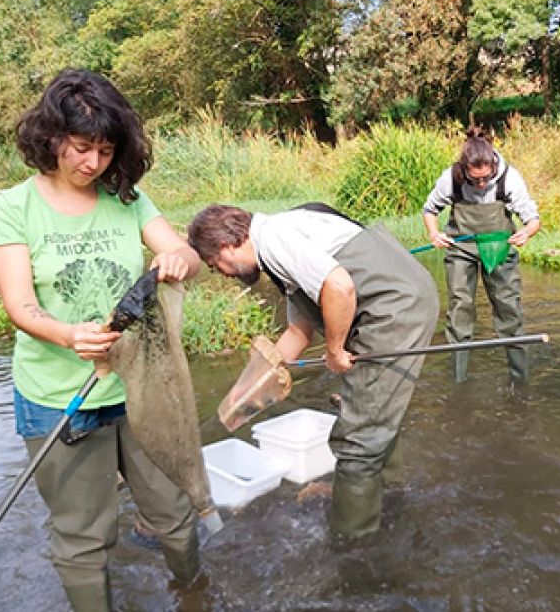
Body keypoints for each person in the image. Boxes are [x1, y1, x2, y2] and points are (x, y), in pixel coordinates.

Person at [0, 68, 203, 610]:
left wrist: (179, 257)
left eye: (105, 150)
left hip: (140, 391)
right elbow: (20, 306)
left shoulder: (126, 198)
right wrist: (69, 335)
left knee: (174, 512)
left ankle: (194, 593)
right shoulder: (12, 208)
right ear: (50, 138)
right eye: (82, 147)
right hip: (61, 399)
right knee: (83, 537)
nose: (93, 163)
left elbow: (187, 256)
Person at [187, 203, 439, 538]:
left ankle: (353, 543)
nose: (223, 273)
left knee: (356, 438)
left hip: (395, 311)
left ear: (225, 246)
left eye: (215, 265)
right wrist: (246, 392)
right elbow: (297, 334)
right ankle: (389, 499)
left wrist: (335, 350)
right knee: (375, 412)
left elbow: (339, 287)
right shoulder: (280, 243)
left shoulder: (275, 238)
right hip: (394, 306)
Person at [422, 126, 540, 383]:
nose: (482, 184)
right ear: (464, 169)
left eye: (487, 178)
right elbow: (430, 210)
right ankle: (458, 382)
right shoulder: (451, 178)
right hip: (461, 251)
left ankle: (520, 381)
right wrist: (434, 234)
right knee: (460, 310)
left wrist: (526, 233)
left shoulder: (509, 177)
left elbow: (532, 219)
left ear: (493, 165)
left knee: (509, 311)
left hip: (498, 250)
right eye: (475, 180)